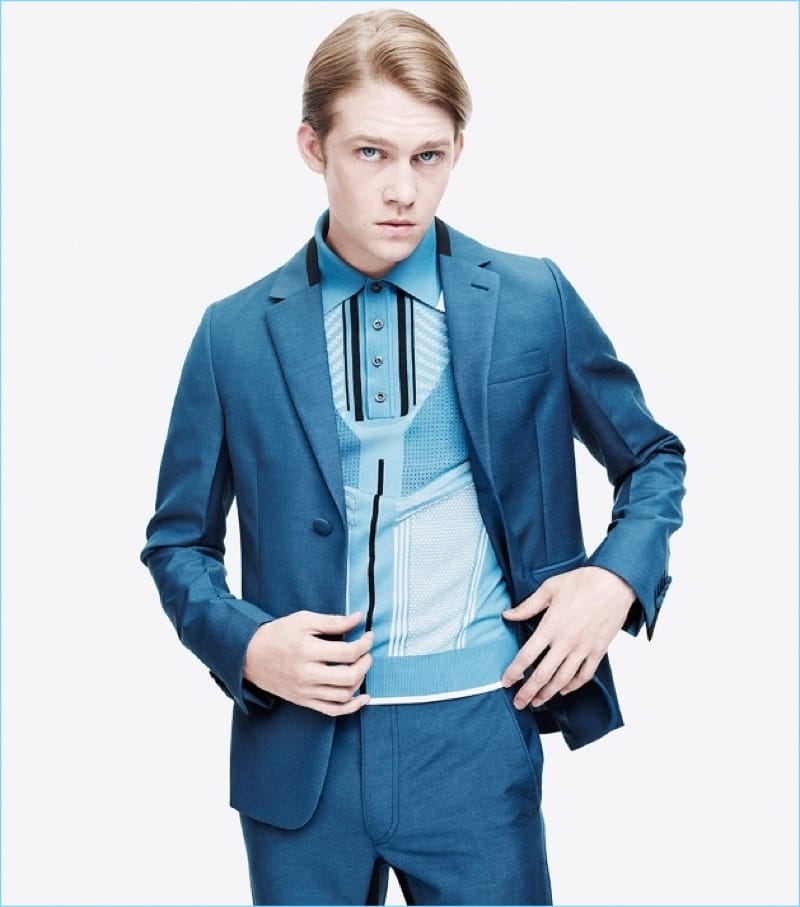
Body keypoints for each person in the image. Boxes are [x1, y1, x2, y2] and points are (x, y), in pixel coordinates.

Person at [141, 8, 686, 905]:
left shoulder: (531, 297)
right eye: (371, 153)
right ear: (312, 147)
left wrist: (614, 579)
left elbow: (652, 456)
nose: (403, 189)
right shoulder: (231, 335)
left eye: (428, 156)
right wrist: (248, 645)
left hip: (477, 742)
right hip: (303, 759)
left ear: (457, 149)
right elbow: (177, 545)